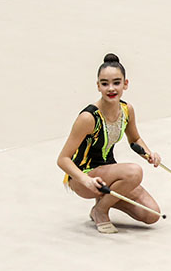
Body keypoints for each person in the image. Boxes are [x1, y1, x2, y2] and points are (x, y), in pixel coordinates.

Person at [57, 53, 163, 234]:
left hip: (109, 173)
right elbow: (63, 159)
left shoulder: (126, 110)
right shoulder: (88, 118)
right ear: (98, 86)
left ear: (125, 84)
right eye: (105, 83)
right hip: (83, 177)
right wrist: (86, 180)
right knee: (134, 172)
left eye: (116, 82)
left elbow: (135, 139)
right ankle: (100, 210)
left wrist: (149, 154)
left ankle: (104, 200)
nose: (111, 88)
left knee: (152, 214)